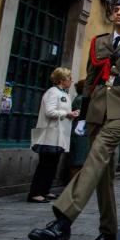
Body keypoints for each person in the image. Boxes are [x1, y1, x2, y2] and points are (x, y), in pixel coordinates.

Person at [28, 0, 120, 240]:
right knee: (103, 175)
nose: (118, 13)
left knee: (96, 154)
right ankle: (108, 232)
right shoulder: (99, 42)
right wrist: (83, 115)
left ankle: (63, 221)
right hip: (98, 110)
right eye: (116, 10)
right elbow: (91, 81)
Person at [28, 68, 79, 203]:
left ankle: (45, 190)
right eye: (69, 78)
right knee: (45, 165)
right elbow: (49, 112)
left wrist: (71, 114)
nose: (71, 81)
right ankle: (35, 193)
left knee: (52, 165)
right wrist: (66, 114)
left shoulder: (64, 94)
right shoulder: (53, 92)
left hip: (59, 135)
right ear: (62, 80)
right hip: (50, 134)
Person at [69, 79, 90, 180]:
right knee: (77, 161)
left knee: (79, 161)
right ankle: (73, 184)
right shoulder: (81, 99)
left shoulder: (81, 98)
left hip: (82, 133)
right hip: (79, 133)